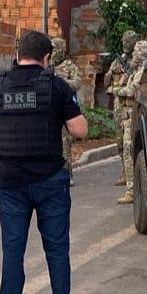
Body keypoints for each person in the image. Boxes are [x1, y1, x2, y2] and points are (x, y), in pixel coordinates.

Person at [0, 31, 88, 294]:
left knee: (13, 250)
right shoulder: (56, 87)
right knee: (57, 249)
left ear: (17, 54)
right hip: (50, 181)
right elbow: (79, 130)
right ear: (47, 58)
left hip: (12, 184)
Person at [116, 40, 147, 205]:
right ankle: (131, 188)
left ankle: (132, 190)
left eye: (137, 52)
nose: (133, 55)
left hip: (133, 115)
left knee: (130, 152)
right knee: (127, 152)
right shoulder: (137, 70)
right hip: (128, 115)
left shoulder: (144, 71)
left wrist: (118, 90)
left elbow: (131, 91)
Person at [105, 30, 139, 190]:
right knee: (119, 139)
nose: (124, 44)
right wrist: (112, 72)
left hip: (131, 104)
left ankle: (132, 174)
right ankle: (125, 171)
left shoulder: (138, 61)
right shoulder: (120, 60)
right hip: (119, 105)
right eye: (123, 41)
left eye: (127, 41)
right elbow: (107, 81)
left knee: (129, 142)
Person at [51, 37, 82, 184]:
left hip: (65, 110)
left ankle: (67, 173)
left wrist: (61, 81)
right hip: (50, 110)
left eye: (56, 50)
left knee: (65, 144)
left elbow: (77, 83)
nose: (54, 53)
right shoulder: (47, 66)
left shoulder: (70, 66)